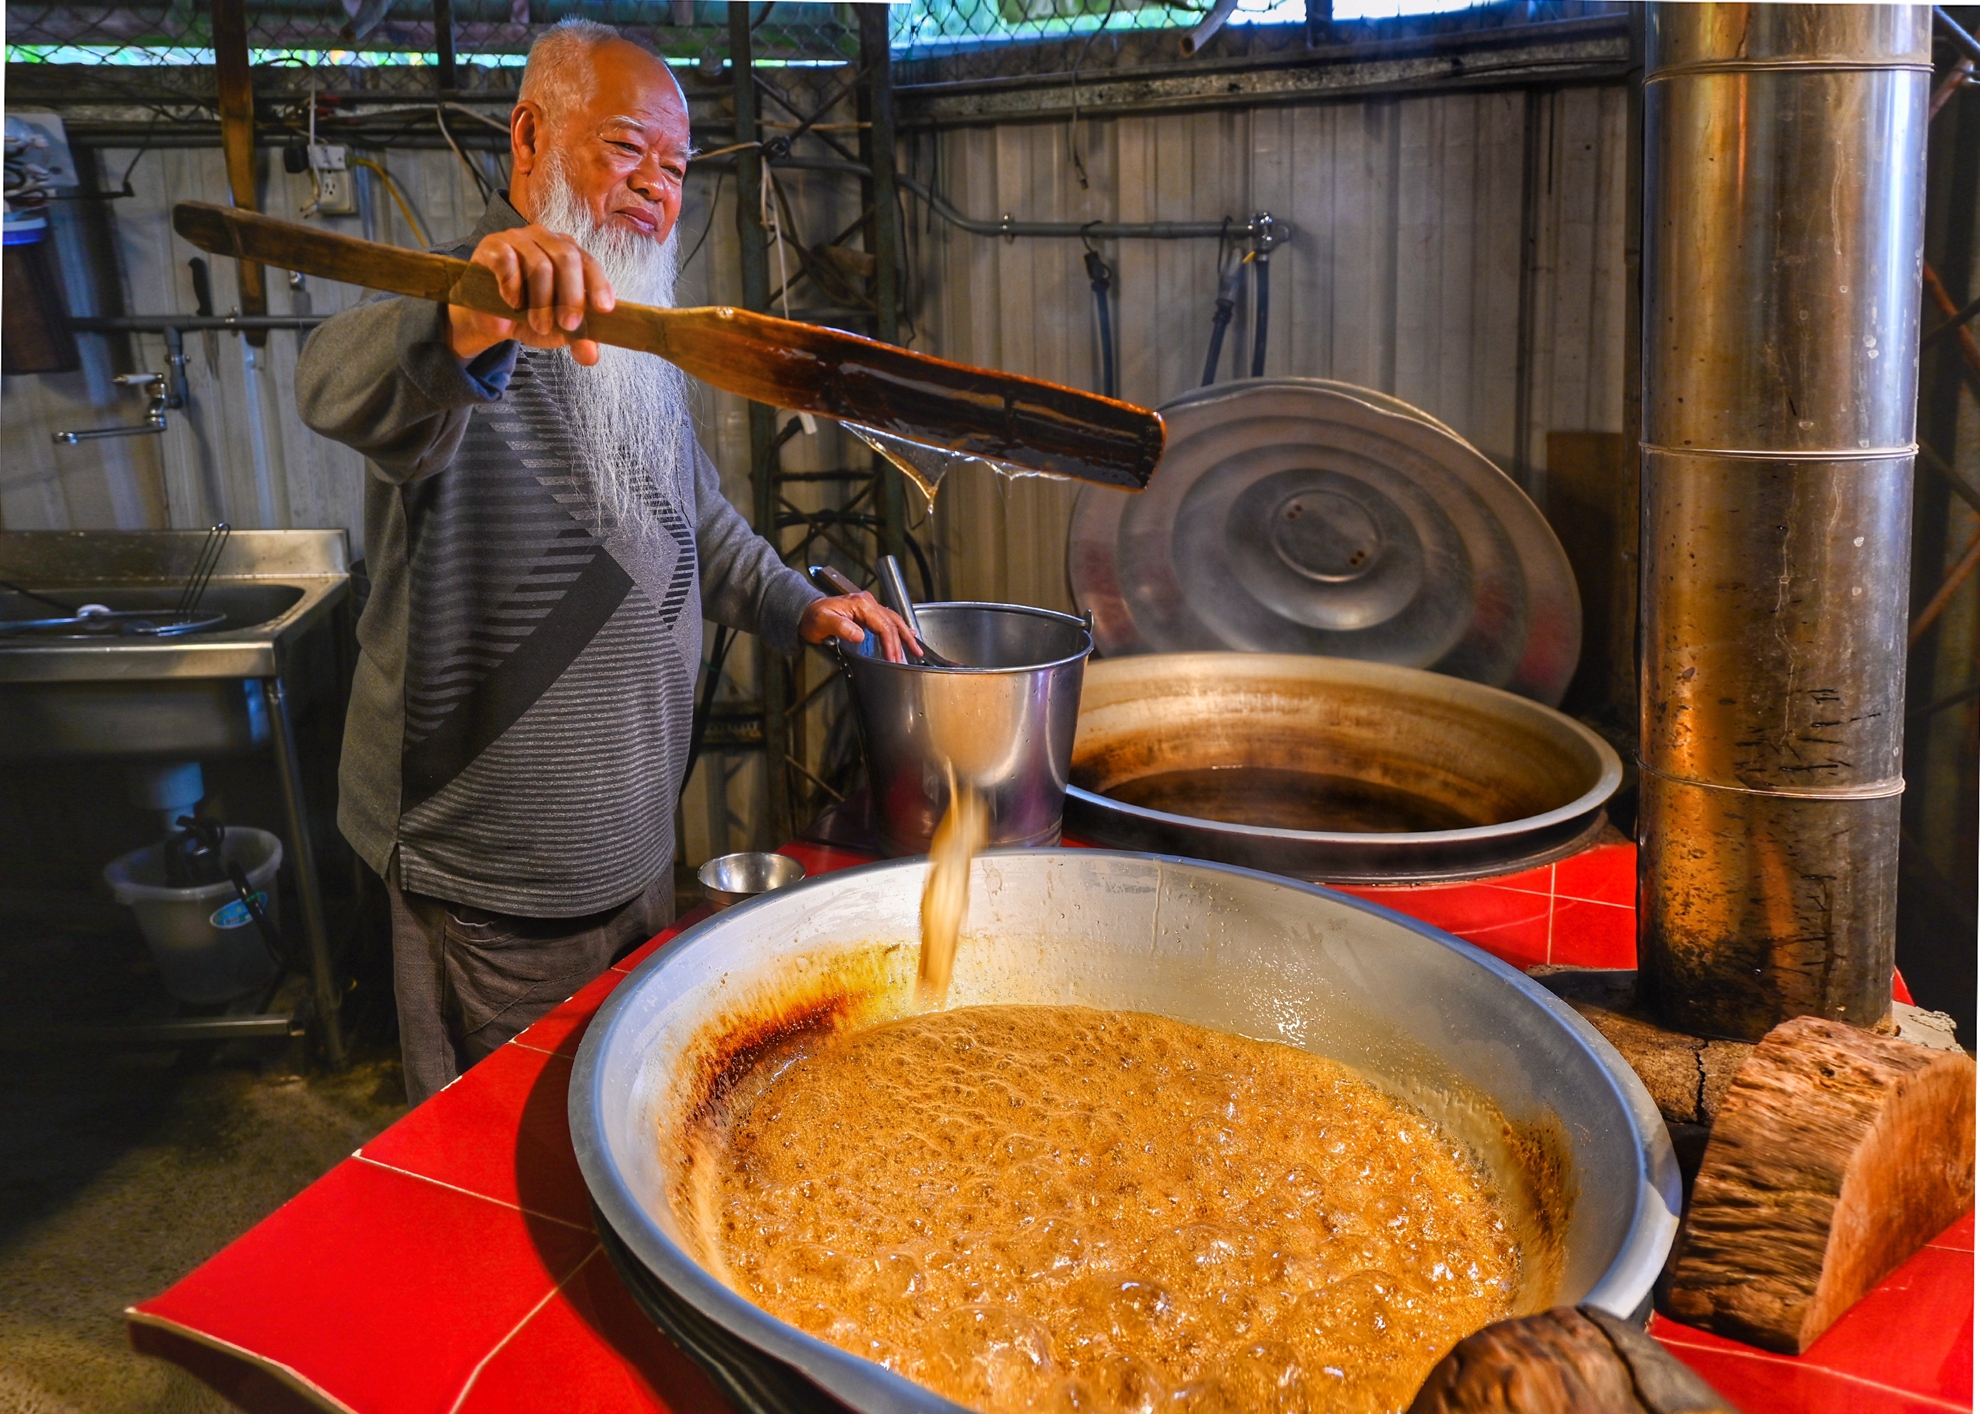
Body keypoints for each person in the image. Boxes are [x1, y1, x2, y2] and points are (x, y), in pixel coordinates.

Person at [295, 18, 913, 1103]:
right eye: (626, 149)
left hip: (631, 844)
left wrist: (794, 604)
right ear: (529, 139)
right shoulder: (463, 312)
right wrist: (467, 319)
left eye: (673, 169)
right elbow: (333, 382)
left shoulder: (629, 324)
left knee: (619, 1118)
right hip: (494, 869)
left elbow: (687, 516)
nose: (654, 188)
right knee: (510, 1160)